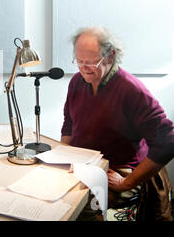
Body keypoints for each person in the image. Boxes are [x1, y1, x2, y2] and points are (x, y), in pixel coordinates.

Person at [61, 26, 173, 220]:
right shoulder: (77, 82)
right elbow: (69, 123)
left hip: (119, 169)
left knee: (78, 208)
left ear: (110, 57)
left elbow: (168, 141)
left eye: (92, 62)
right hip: (84, 165)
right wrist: (63, 155)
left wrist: (127, 182)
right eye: (79, 61)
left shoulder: (131, 90)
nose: (84, 68)